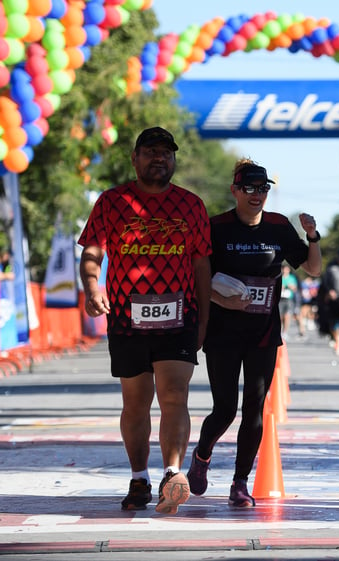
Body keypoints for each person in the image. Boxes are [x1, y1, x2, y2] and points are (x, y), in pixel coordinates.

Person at [78, 126, 212, 514]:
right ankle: (139, 478)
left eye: (166, 153)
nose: (159, 158)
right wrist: (91, 287)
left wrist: (203, 316)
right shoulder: (112, 201)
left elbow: (201, 264)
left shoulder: (191, 205)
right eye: (150, 151)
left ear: (174, 160)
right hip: (126, 318)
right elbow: (93, 252)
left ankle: (173, 474)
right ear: (135, 159)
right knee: (136, 402)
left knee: (175, 395)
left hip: (179, 315)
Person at [186, 159, 322, 507]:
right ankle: (202, 457)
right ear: (235, 190)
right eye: (249, 188)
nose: (256, 195)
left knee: (254, 410)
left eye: (262, 189)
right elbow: (197, 277)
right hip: (222, 332)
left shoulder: (278, 226)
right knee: (225, 409)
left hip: (263, 332)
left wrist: (312, 236)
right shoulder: (216, 227)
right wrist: (219, 299)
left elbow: (313, 268)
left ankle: (240, 482)